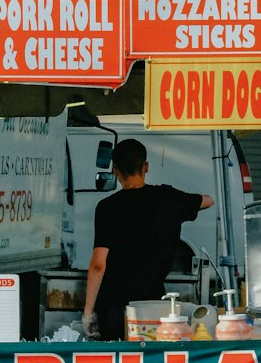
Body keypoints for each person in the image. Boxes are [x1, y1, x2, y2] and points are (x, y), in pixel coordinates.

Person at [82, 138, 214, 341]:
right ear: (146, 167)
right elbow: (208, 201)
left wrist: (88, 313)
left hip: (114, 307)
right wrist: (180, 204)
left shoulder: (107, 207)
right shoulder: (167, 199)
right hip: (153, 304)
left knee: (118, 361)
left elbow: (98, 264)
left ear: (115, 170)